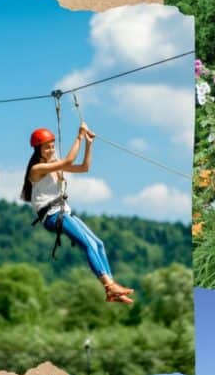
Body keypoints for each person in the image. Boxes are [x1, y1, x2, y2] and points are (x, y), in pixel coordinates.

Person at [21, 123, 134, 304]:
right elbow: (68, 161)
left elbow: (84, 167)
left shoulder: (53, 166)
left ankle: (112, 287)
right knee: (87, 245)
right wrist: (79, 136)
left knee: (98, 244)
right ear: (38, 150)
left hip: (62, 212)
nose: (51, 150)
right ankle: (108, 286)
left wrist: (88, 144)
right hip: (52, 215)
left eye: (52, 146)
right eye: (46, 147)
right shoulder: (37, 169)